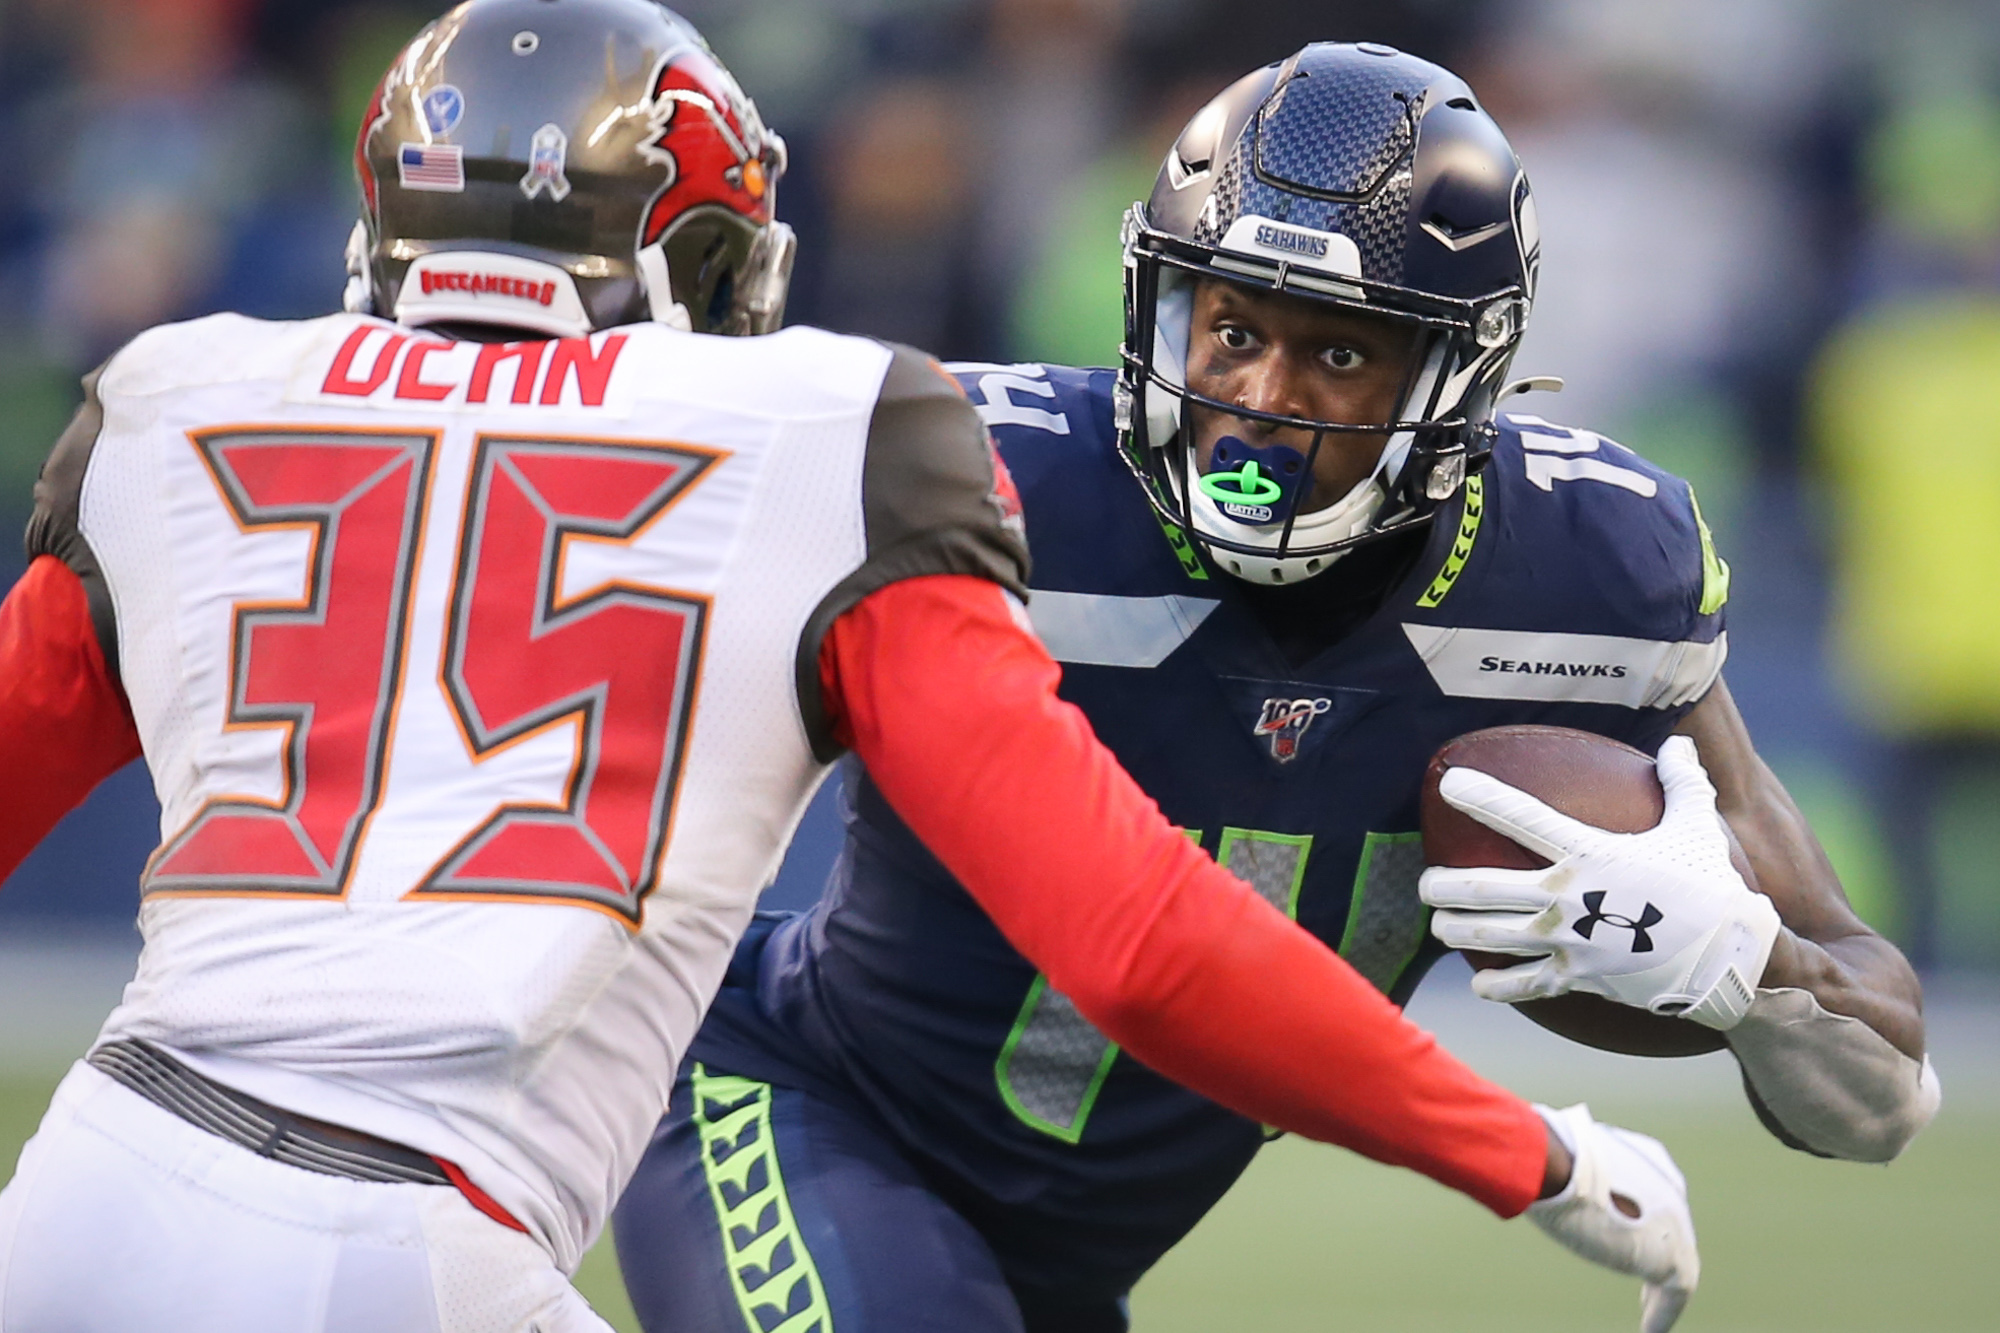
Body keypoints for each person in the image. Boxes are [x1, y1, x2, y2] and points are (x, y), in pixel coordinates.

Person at [0, 9, 1695, 1331]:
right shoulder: (822, 436)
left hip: (88, 1173)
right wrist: (1520, 1145)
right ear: (704, 259)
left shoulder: (185, 391)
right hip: (410, 1232)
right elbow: (1133, 937)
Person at [613, 41, 1939, 1333]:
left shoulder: (1590, 581)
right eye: (1232, 327)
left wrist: (1748, 973)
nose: (1259, 399)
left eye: (1340, 355)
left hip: (1060, 1261)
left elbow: (1880, 1099)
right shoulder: (987, 486)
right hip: (805, 1105)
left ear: (1458, 377)